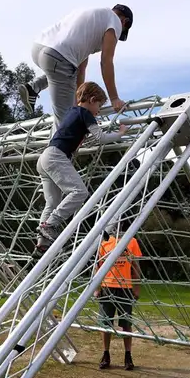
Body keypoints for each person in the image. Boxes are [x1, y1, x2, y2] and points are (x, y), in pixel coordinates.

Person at [35, 82, 127, 252]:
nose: (99, 110)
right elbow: (100, 137)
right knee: (80, 192)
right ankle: (50, 225)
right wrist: (120, 134)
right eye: (99, 105)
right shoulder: (85, 114)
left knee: (52, 201)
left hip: (45, 158)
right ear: (92, 100)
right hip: (56, 156)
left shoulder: (72, 112)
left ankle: (42, 242)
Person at [18, 5, 134, 132]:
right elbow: (106, 62)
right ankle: (59, 151)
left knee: (63, 74)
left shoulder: (92, 18)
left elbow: (79, 69)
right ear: (125, 22)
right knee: (66, 123)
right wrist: (114, 98)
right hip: (59, 58)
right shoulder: (115, 22)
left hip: (39, 48)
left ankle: (34, 86)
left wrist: (79, 102)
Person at [94, 219, 142, 371]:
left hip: (125, 288)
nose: (118, 226)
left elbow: (135, 266)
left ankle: (128, 356)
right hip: (107, 287)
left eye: (121, 224)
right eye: (116, 224)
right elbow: (98, 267)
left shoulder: (132, 241)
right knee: (105, 324)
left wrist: (137, 288)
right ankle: (105, 354)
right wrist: (97, 287)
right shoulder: (105, 242)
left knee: (126, 324)